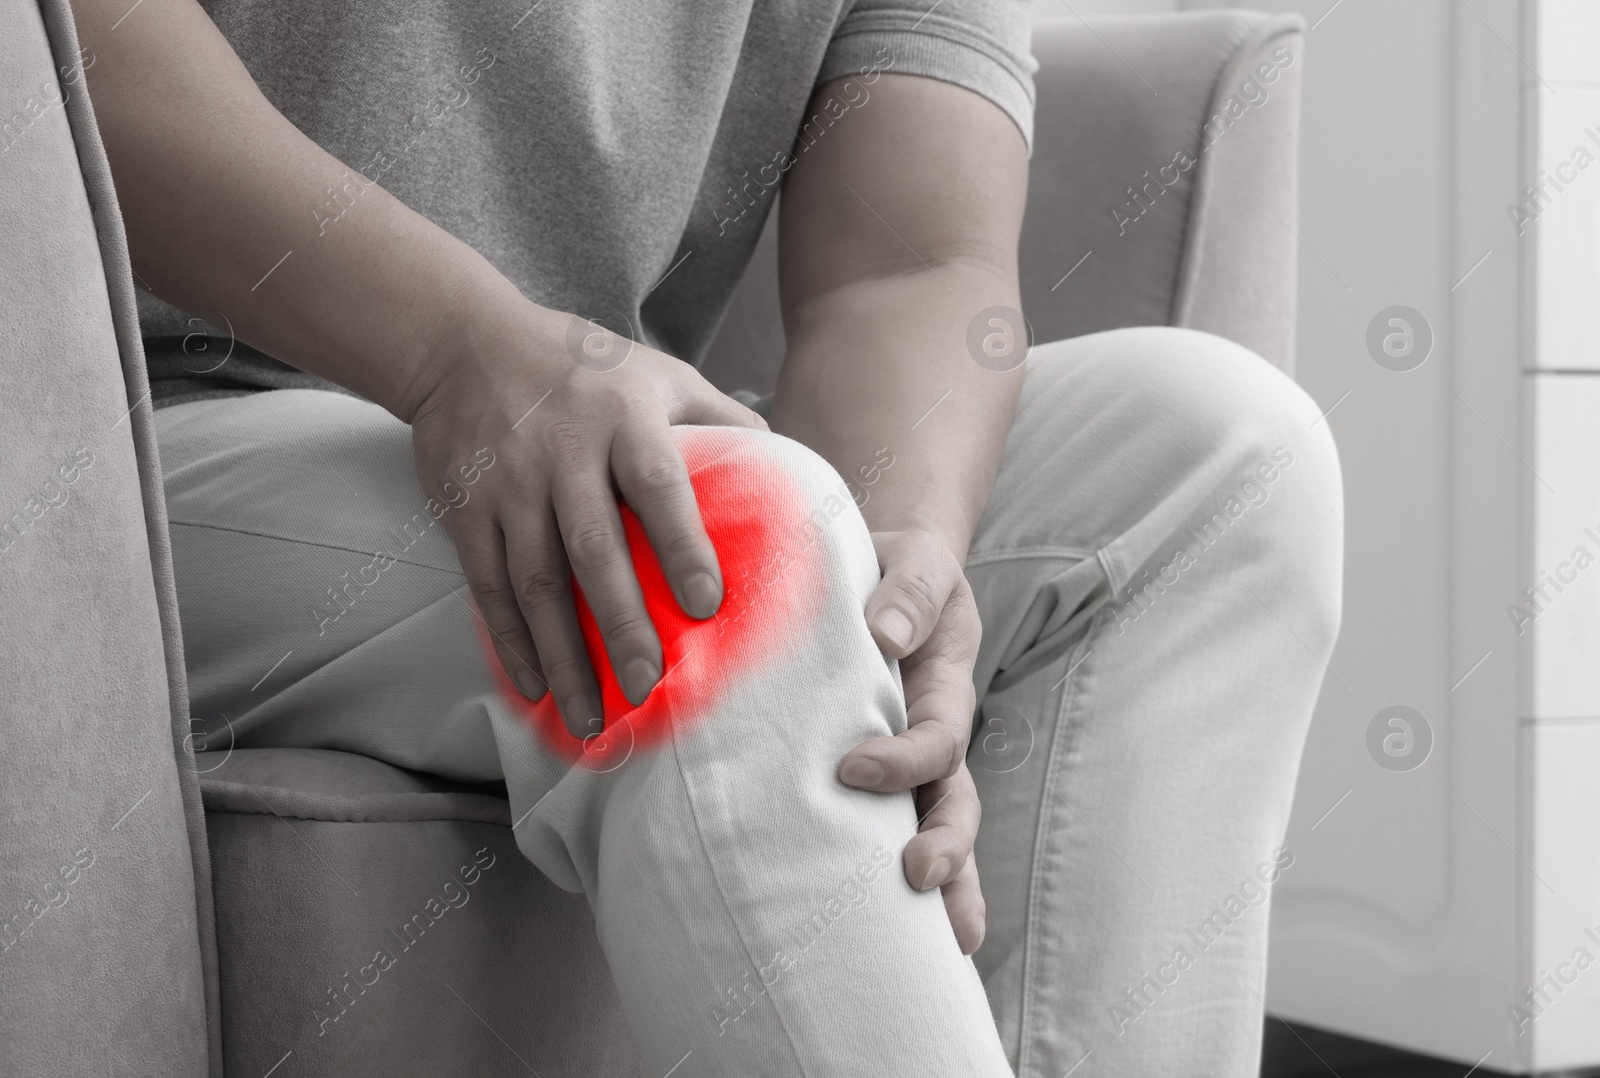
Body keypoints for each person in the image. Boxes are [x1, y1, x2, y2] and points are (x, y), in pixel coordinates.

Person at [70, 0, 1343, 1072]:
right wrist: (461, 348)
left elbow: (905, 263)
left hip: (602, 417)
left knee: (1219, 452)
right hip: (122, 440)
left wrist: (896, 559)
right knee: (726, 550)